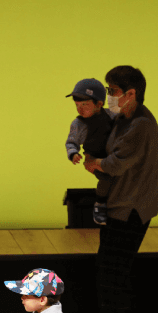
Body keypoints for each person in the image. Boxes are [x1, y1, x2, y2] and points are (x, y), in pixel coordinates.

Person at [83, 66, 158, 313]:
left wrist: (94, 164)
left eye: (113, 91)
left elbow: (115, 164)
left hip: (132, 207)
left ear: (131, 93)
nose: (109, 96)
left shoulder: (141, 124)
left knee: (115, 266)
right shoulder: (122, 119)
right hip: (120, 203)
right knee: (111, 265)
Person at [65, 78, 115, 225]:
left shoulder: (111, 115)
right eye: (77, 105)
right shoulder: (79, 124)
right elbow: (71, 142)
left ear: (99, 104)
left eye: (85, 104)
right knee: (106, 179)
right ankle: (99, 205)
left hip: (113, 156)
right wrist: (73, 154)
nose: (80, 109)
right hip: (94, 158)